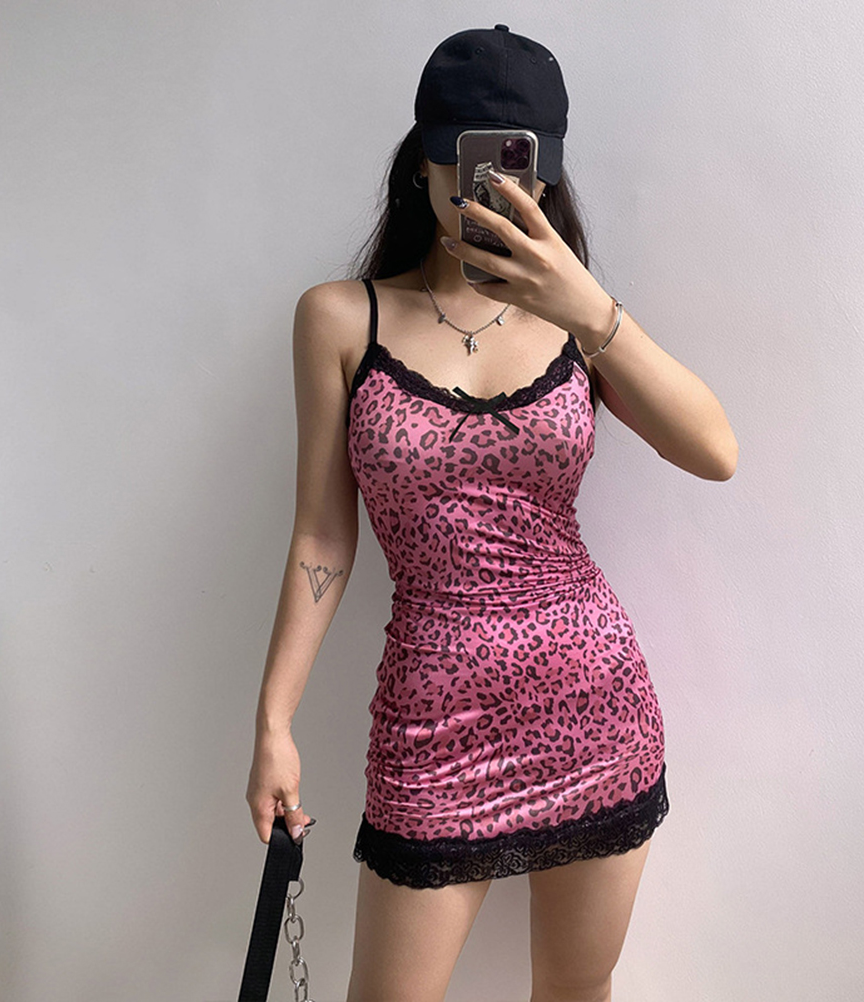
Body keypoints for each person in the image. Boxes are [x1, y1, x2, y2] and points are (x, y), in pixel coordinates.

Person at [246, 24, 738, 1002]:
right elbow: (323, 533)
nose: (492, 192)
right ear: (422, 163)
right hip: (432, 722)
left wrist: (589, 307)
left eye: (521, 171)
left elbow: (714, 451)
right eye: (467, 164)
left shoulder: (580, 321)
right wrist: (273, 720)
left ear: (548, 175)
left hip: (593, 708)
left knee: (575, 990)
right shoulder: (340, 318)